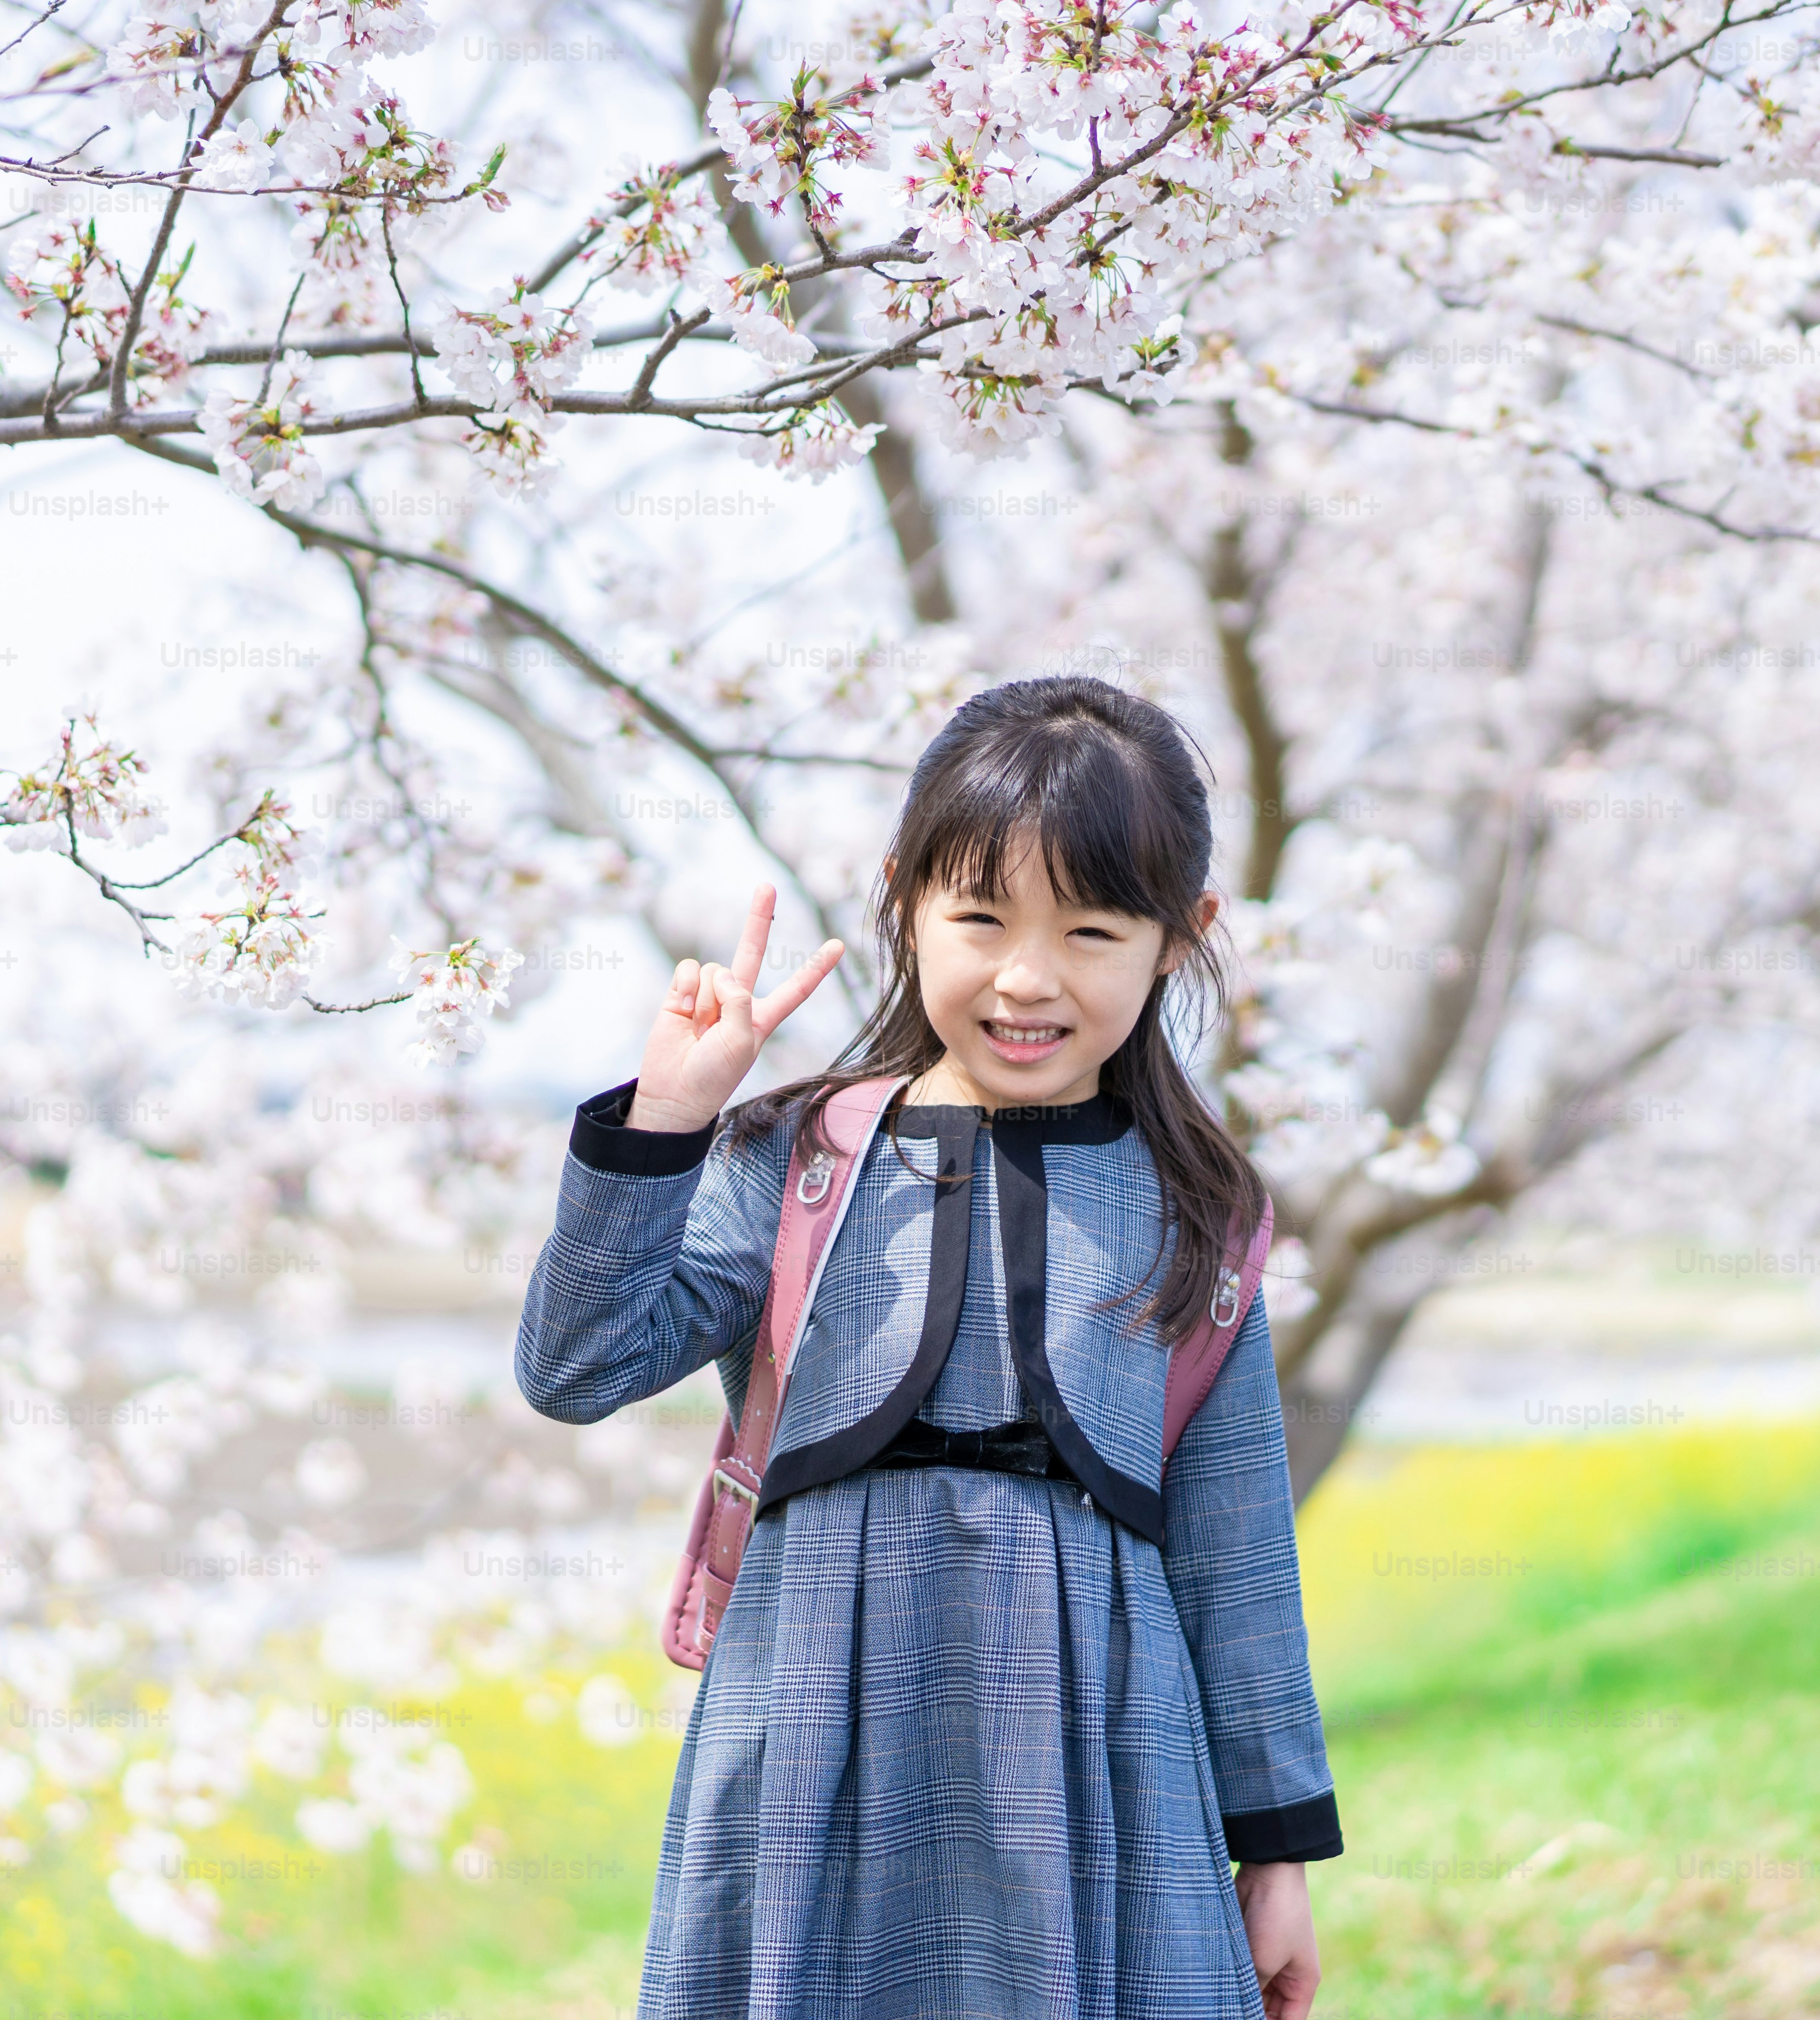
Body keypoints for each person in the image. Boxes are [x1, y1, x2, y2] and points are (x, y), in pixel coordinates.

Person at [517, 676, 1340, 2019]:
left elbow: (1238, 1553)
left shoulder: (1200, 1212)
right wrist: (666, 1121)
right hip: (810, 1732)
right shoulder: (794, 1159)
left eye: (1090, 929)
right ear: (902, 898)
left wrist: (1282, 1850)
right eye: (980, 918)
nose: (1028, 977)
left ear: (1179, 940)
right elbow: (575, 1368)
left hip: (1103, 1756)